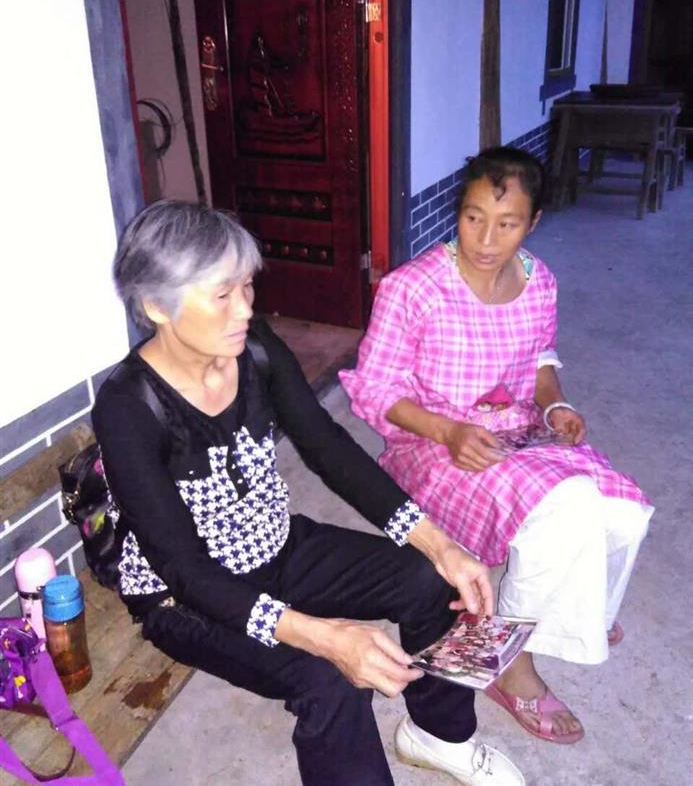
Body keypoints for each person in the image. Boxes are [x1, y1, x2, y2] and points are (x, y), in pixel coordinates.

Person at [92, 199, 525, 786]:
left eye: (247, 286)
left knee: (431, 578)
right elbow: (186, 571)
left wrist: (438, 543)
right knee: (329, 680)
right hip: (187, 599)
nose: (246, 307)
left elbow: (326, 446)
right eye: (222, 295)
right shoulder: (127, 407)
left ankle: (438, 736)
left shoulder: (255, 348)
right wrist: (325, 635)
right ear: (155, 306)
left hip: (278, 545)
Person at [340, 147, 653, 745]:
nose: (486, 239)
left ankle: (577, 608)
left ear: (533, 223)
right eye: (473, 217)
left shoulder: (538, 280)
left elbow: (540, 360)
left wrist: (555, 405)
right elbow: (373, 389)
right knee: (567, 512)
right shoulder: (413, 288)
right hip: (433, 444)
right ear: (457, 212)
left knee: (623, 511)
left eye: (507, 223)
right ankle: (508, 663)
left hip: (518, 428)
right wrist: (448, 432)